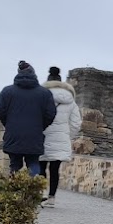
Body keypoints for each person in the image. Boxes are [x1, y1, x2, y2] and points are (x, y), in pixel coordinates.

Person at [0, 60, 56, 176]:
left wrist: (9, 123)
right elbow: (51, 114)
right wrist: (41, 126)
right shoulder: (45, 93)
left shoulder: (7, 92)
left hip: (14, 135)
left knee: (15, 165)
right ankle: (33, 190)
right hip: (35, 135)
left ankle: (15, 190)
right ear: (34, 74)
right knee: (33, 164)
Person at [39, 67, 83, 205]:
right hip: (61, 138)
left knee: (41, 167)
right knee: (54, 169)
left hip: (42, 137)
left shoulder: (40, 97)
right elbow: (76, 123)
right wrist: (68, 135)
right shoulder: (70, 100)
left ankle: (40, 194)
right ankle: (52, 197)